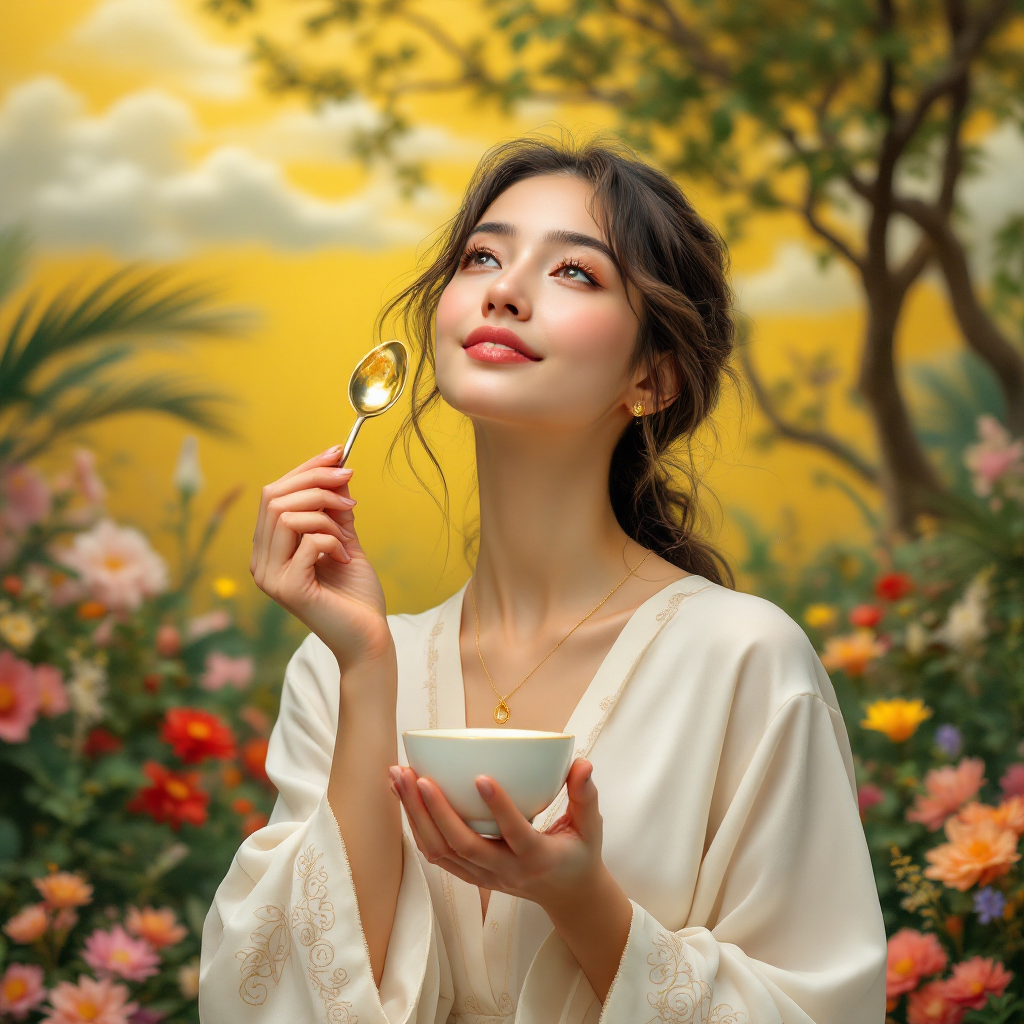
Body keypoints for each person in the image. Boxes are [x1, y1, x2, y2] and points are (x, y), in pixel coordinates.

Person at [200, 137, 886, 1023]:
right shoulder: (341, 667)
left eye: (574, 273)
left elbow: (818, 1005)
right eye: (483, 255)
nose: (504, 288)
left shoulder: (745, 659)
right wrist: (367, 668)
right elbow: (277, 994)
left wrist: (582, 901)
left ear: (653, 376)